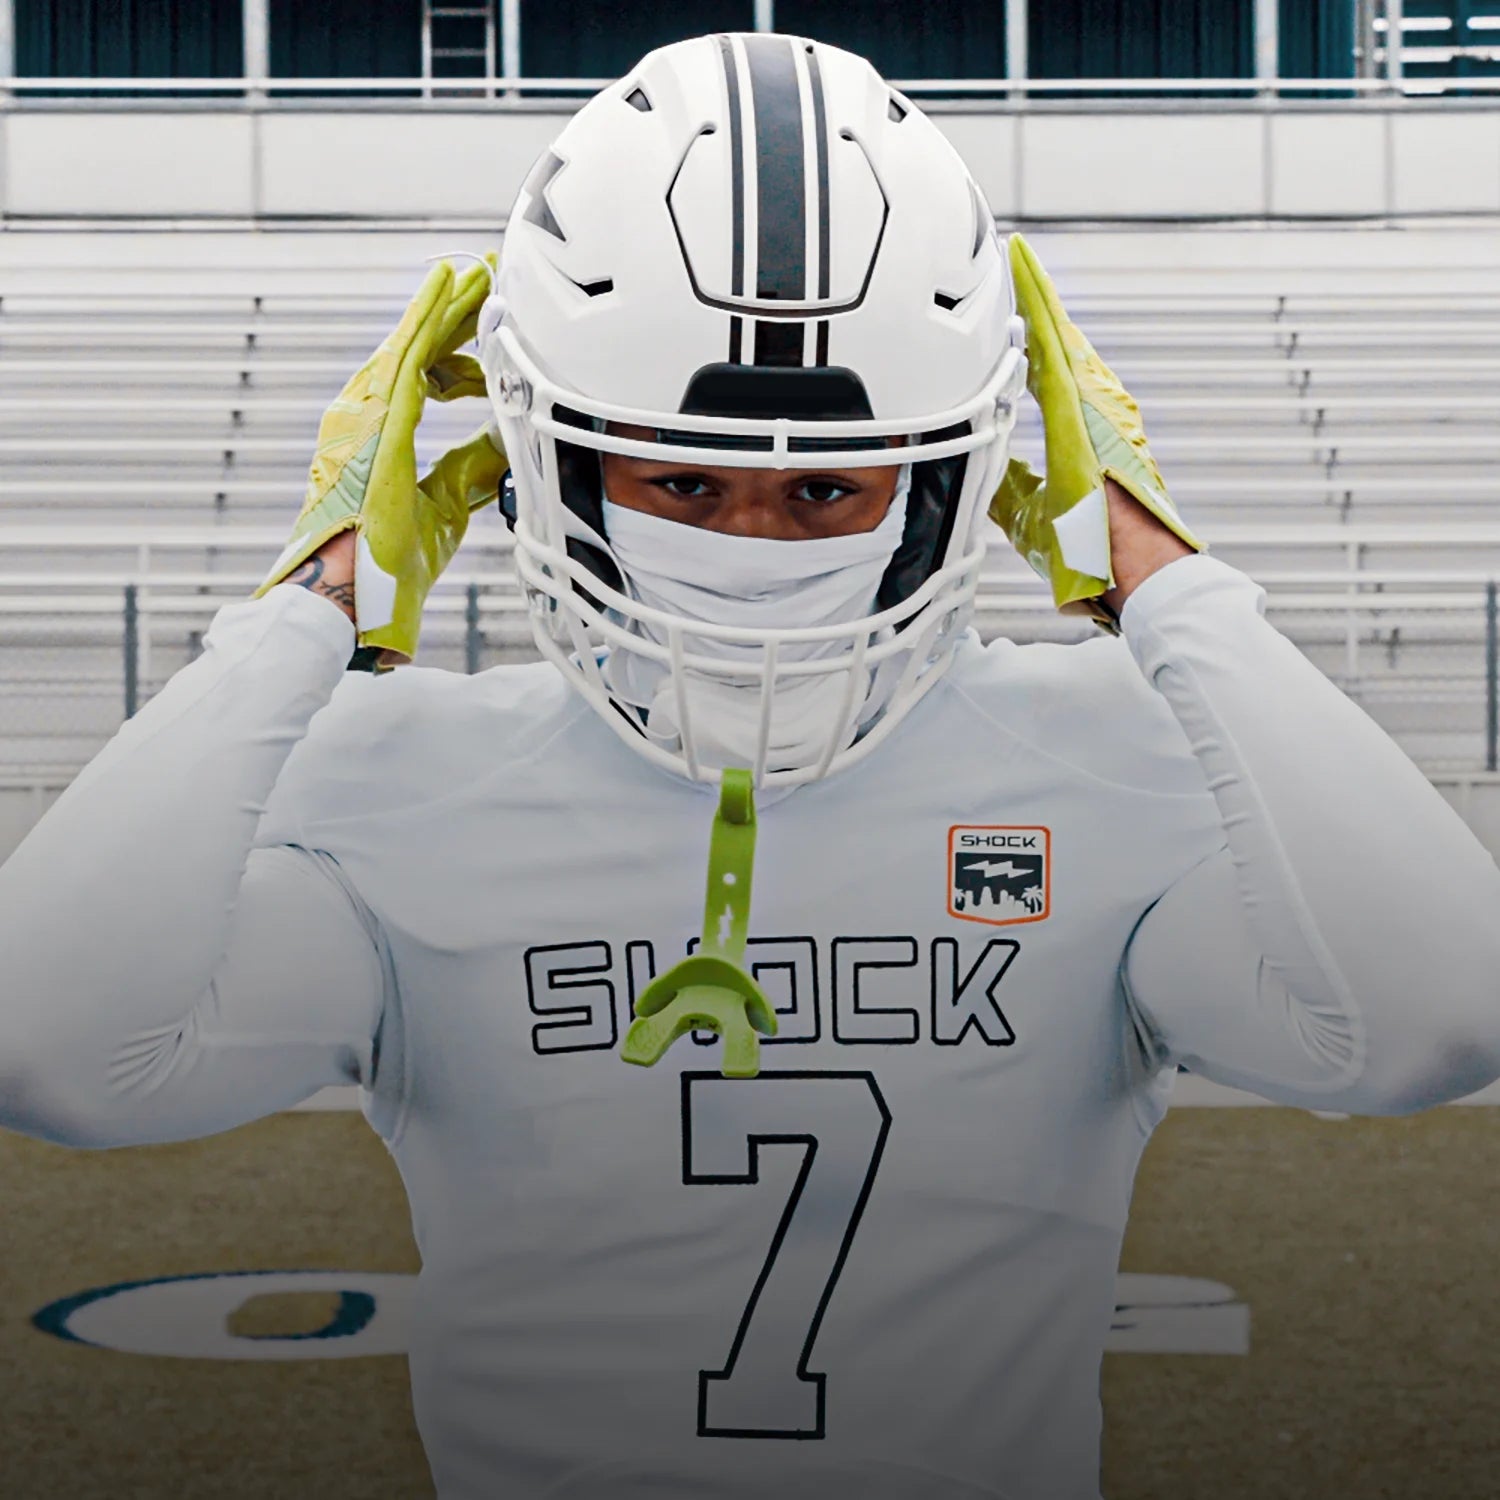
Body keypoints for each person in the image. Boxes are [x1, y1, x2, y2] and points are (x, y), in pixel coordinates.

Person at [1, 32, 1497, 1500]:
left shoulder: (1103, 759)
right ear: (551, 470)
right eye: (684, 481)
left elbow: (1438, 1021)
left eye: (828, 489)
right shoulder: (406, 784)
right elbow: (48, 1052)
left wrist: (1164, 579)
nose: (751, 545)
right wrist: (311, 607)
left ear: (947, 484)